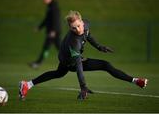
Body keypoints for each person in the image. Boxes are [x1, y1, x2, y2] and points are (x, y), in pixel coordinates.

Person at [20, 10, 148, 100]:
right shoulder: (74, 42)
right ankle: (136, 81)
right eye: (73, 28)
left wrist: (99, 47)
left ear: (82, 22)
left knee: (58, 74)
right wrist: (83, 87)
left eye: (78, 26)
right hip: (69, 61)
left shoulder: (86, 24)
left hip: (68, 57)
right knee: (105, 65)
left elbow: (88, 35)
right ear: (70, 28)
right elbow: (78, 66)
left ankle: (28, 84)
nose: (78, 29)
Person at [29, 0, 61, 68]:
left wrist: (53, 31)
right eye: (44, 0)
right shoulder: (50, 6)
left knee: (49, 48)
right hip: (52, 32)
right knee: (55, 48)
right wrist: (39, 27)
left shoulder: (54, 7)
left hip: (53, 32)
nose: (44, 1)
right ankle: (38, 62)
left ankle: (38, 63)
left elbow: (56, 20)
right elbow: (46, 20)